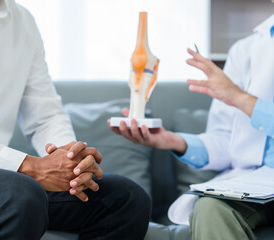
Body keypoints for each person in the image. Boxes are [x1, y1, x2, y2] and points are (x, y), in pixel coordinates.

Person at [0, 0, 152, 239]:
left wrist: (70, 159)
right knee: (18, 197)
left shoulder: (22, 21)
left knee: (125, 198)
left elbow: (45, 115)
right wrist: (31, 167)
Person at [109, 12, 274, 240]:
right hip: (255, 184)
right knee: (211, 208)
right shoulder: (245, 50)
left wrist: (241, 99)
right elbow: (228, 141)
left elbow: (240, 101)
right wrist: (173, 141)